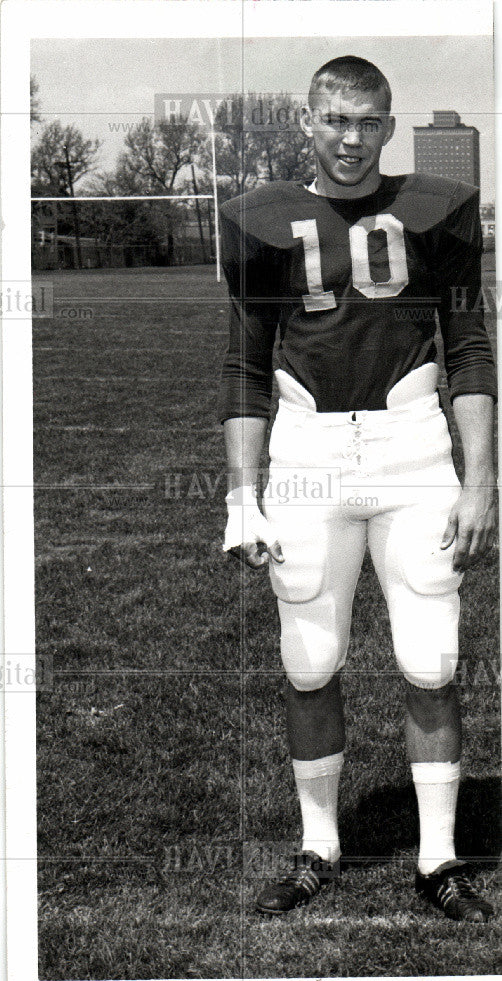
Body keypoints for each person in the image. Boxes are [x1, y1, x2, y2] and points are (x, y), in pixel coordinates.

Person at [218, 56, 497, 921]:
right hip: (307, 455)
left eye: (368, 121)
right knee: (310, 663)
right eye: (336, 119)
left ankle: (439, 858)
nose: (351, 137)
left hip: (414, 449)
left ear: (386, 124)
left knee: (433, 661)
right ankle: (318, 846)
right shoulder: (261, 218)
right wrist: (242, 490)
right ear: (309, 121)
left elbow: (469, 348)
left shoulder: (439, 210)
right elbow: (243, 364)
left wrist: (480, 475)